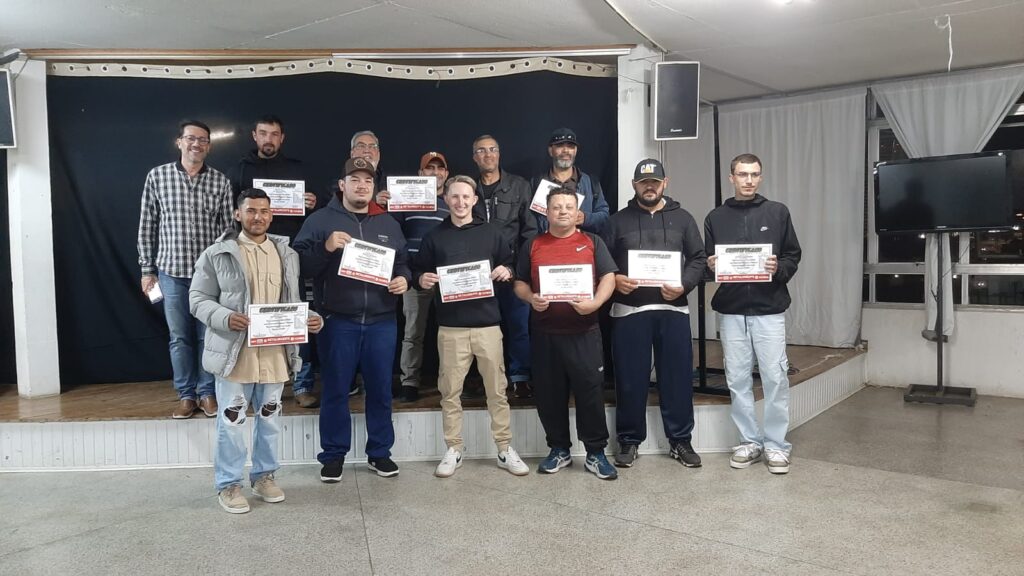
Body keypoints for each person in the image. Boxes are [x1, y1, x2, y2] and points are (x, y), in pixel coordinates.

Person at [189, 188, 323, 514]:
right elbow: (197, 299)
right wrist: (224, 317)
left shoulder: (286, 254)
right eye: (250, 211)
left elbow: (289, 302)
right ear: (238, 214)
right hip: (235, 353)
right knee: (232, 421)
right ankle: (229, 484)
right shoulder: (217, 253)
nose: (257, 217)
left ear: (271, 215)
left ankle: (264, 476)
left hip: (275, 354)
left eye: (263, 211)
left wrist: (309, 319)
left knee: (270, 419)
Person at [293, 156, 410, 482]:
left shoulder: (388, 223)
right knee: (335, 389)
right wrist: (326, 247)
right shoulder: (320, 220)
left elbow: (402, 262)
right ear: (342, 185)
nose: (362, 186)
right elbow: (298, 265)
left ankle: (380, 453)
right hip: (337, 320)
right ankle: (333, 456)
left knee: (381, 390)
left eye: (368, 181)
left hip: (382, 320)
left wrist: (404, 279)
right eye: (355, 180)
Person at [414, 175, 529, 478]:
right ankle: (454, 448)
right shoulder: (434, 237)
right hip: (450, 328)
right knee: (450, 392)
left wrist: (507, 270)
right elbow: (419, 271)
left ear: (475, 200)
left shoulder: (491, 233)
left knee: (497, 390)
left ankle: (504, 448)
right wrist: (421, 279)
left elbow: (510, 264)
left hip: (487, 325)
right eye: (454, 196)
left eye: (466, 197)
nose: (460, 202)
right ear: (446, 199)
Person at [604, 159, 707, 469]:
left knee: (677, 378)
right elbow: (603, 261)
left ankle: (680, 440)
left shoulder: (684, 219)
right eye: (643, 182)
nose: (649, 187)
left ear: (665, 183)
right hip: (628, 312)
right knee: (629, 379)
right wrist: (615, 279)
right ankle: (629, 440)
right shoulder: (617, 221)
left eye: (655, 182)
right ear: (634, 185)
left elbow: (698, 259)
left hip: (673, 310)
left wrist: (684, 284)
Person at [704, 153, 802, 475]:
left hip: (769, 309)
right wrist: (710, 265)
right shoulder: (716, 217)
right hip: (731, 311)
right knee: (737, 379)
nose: (749, 180)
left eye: (754, 174)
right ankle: (749, 441)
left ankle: (776, 445)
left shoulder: (777, 212)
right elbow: (708, 261)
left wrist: (778, 268)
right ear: (731, 177)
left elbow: (792, 254)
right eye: (743, 174)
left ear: (761, 177)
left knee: (775, 377)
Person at [514, 187, 618, 480]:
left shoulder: (592, 242)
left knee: (590, 393)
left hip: (584, 333)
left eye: (568, 207)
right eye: (557, 207)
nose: (562, 211)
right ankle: (559, 449)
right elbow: (519, 283)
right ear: (546, 212)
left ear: (577, 212)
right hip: (545, 334)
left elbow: (608, 277)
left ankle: (595, 453)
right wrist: (530, 297)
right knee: (549, 395)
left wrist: (595, 303)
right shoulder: (533, 245)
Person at [137, 119, 234, 419]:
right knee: (179, 337)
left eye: (203, 139)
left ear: (209, 146)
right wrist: (147, 270)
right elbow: (147, 225)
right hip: (171, 272)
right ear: (179, 142)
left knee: (209, 337)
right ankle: (186, 395)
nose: (196, 144)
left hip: (209, 276)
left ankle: (207, 393)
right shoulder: (158, 177)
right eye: (191, 138)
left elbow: (228, 232)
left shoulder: (221, 182)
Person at [228, 114, 323, 408]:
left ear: (282, 139)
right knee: (254, 313)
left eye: (274, 134)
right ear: (254, 136)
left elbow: (315, 211)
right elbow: (233, 212)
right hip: (251, 252)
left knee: (296, 313)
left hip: (290, 253)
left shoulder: (298, 170)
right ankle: (256, 381)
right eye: (263, 133)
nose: (268, 139)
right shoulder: (240, 170)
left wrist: (311, 203)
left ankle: (302, 383)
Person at [471, 134, 537, 398]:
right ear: (474, 157)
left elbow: (529, 232)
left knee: (518, 326)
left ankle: (520, 377)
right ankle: (483, 377)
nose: (488, 155)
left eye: (493, 149)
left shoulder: (519, 186)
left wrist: (517, 269)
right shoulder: (468, 188)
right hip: (478, 275)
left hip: (512, 272)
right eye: (481, 151)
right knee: (480, 330)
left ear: (499, 154)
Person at [392, 152, 451, 403]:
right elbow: (395, 237)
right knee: (413, 331)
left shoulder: (453, 201)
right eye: (429, 168)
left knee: (451, 333)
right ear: (420, 174)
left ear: (446, 174)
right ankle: (409, 382)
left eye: (440, 168)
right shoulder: (405, 201)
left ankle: (451, 381)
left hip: (448, 278)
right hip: (415, 277)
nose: (435, 172)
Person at [530, 128, 609, 235]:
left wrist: (585, 218)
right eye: (559, 146)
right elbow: (528, 221)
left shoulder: (590, 183)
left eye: (570, 146)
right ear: (550, 150)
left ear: (575, 151)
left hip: (582, 244)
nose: (565, 151)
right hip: (546, 243)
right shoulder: (536, 183)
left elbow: (604, 216)